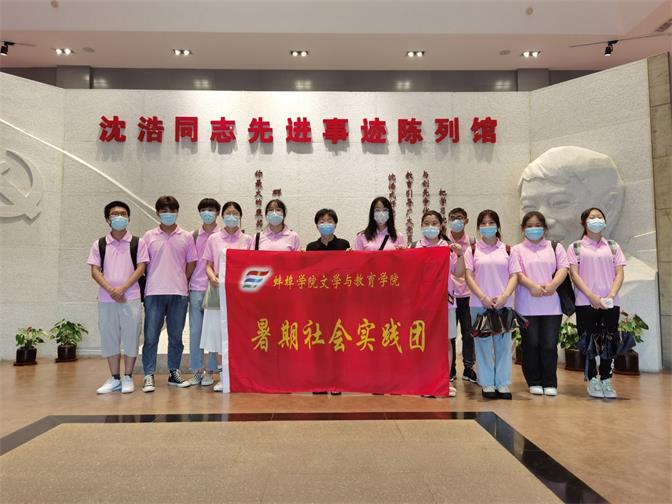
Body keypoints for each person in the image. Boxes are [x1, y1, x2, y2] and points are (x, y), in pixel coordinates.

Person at [88, 201, 149, 394]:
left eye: (123, 213)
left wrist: (122, 289)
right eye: (115, 214)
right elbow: (95, 270)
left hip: (131, 297)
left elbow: (141, 268)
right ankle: (114, 377)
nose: (120, 217)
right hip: (106, 299)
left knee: (131, 336)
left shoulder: (138, 243)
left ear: (129, 218)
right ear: (108, 219)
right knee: (109, 336)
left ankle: (128, 376)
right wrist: (111, 290)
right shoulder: (99, 244)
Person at [567, 207, 626, 399]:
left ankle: (606, 379)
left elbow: (619, 273)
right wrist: (591, 296)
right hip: (586, 302)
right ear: (584, 223)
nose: (596, 220)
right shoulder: (575, 247)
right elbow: (574, 275)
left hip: (611, 302)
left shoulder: (613, 246)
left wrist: (610, 295)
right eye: (592, 217)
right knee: (588, 341)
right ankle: (592, 378)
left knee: (609, 340)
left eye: (600, 217)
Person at [141, 195, 198, 392]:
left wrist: (182, 279)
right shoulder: (148, 236)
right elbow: (143, 264)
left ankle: (174, 372)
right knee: (150, 337)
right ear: (157, 213)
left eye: (172, 211)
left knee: (176, 337)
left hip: (179, 294)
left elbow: (191, 262)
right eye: (164, 211)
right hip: (154, 293)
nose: (168, 214)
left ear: (177, 212)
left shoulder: (186, 236)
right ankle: (149, 374)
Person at [464, 209, 520, 400]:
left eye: (491, 223)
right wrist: (483, 297)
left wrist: (504, 296)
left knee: (503, 344)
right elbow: (469, 276)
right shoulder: (472, 250)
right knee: (483, 344)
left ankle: (502, 383)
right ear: (478, 227)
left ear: (498, 226)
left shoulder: (508, 250)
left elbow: (514, 275)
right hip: (479, 303)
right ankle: (487, 383)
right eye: (483, 223)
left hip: (504, 304)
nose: (487, 226)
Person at [512, 211, 569, 397]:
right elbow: (516, 272)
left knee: (549, 345)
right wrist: (532, 286)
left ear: (544, 228)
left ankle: (550, 381)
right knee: (531, 344)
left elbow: (563, 268)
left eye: (537, 225)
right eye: (529, 226)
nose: (533, 229)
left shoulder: (555, 247)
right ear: (523, 229)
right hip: (526, 304)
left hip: (552, 305)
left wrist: (553, 285)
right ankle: (534, 380)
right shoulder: (517, 250)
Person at [412, 210, 465, 398]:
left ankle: (443, 381)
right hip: (423, 304)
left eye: (434, 223)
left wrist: (460, 255)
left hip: (445, 303)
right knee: (425, 342)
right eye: (426, 223)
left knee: (445, 342)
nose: (430, 227)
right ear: (421, 225)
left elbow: (458, 273)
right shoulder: (415, 247)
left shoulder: (447, 247)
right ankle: (426, 381)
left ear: (441, 225)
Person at [202, 201, 254, 392]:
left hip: (240, 294)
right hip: (218, 292)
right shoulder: (214, 238)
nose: (232, 216)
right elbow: (207, 264)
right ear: (222, 216)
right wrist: (212, 277)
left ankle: (241, 375)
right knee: (219, 334)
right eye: (228, 213)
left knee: (240, 334)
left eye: (235, 213)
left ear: (240, 216)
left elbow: (252, 265)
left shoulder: (248, 239)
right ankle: (223, 376)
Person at [186, 198, 221, 387]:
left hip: (216, 289)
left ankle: (211, 372)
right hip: (196, 288)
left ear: (218, 213)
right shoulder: (193, 235)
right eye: (204, 209)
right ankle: (197, 370)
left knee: (214, 332)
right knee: (196, 332)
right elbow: (189, 262)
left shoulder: (222, 235)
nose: (207, 213)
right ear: (199, 212)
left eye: (211, 209)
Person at [446, 207, 477, 384]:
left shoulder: (472, 243)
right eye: (453, 218)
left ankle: (468, 367)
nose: (456, 221)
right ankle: (450, 369)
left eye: (459, 217)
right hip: (449, 295)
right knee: (449, 334)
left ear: (466, 220)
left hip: (467, 294)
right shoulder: (443, 241)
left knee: (468, 333)